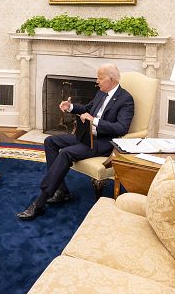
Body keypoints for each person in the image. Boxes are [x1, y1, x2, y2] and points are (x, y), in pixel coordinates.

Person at [17, 64, 133, 220]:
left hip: (103, 143)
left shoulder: (126, 99)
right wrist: (70, 107)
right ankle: (62, 191)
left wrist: (95, 121)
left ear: (110, 79)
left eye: (99, 78)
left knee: (65, 153)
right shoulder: (101, 93)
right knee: (51, 141)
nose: (96, 81)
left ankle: (40, 201)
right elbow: (87, 108)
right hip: (87, 136)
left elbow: (121, 128)